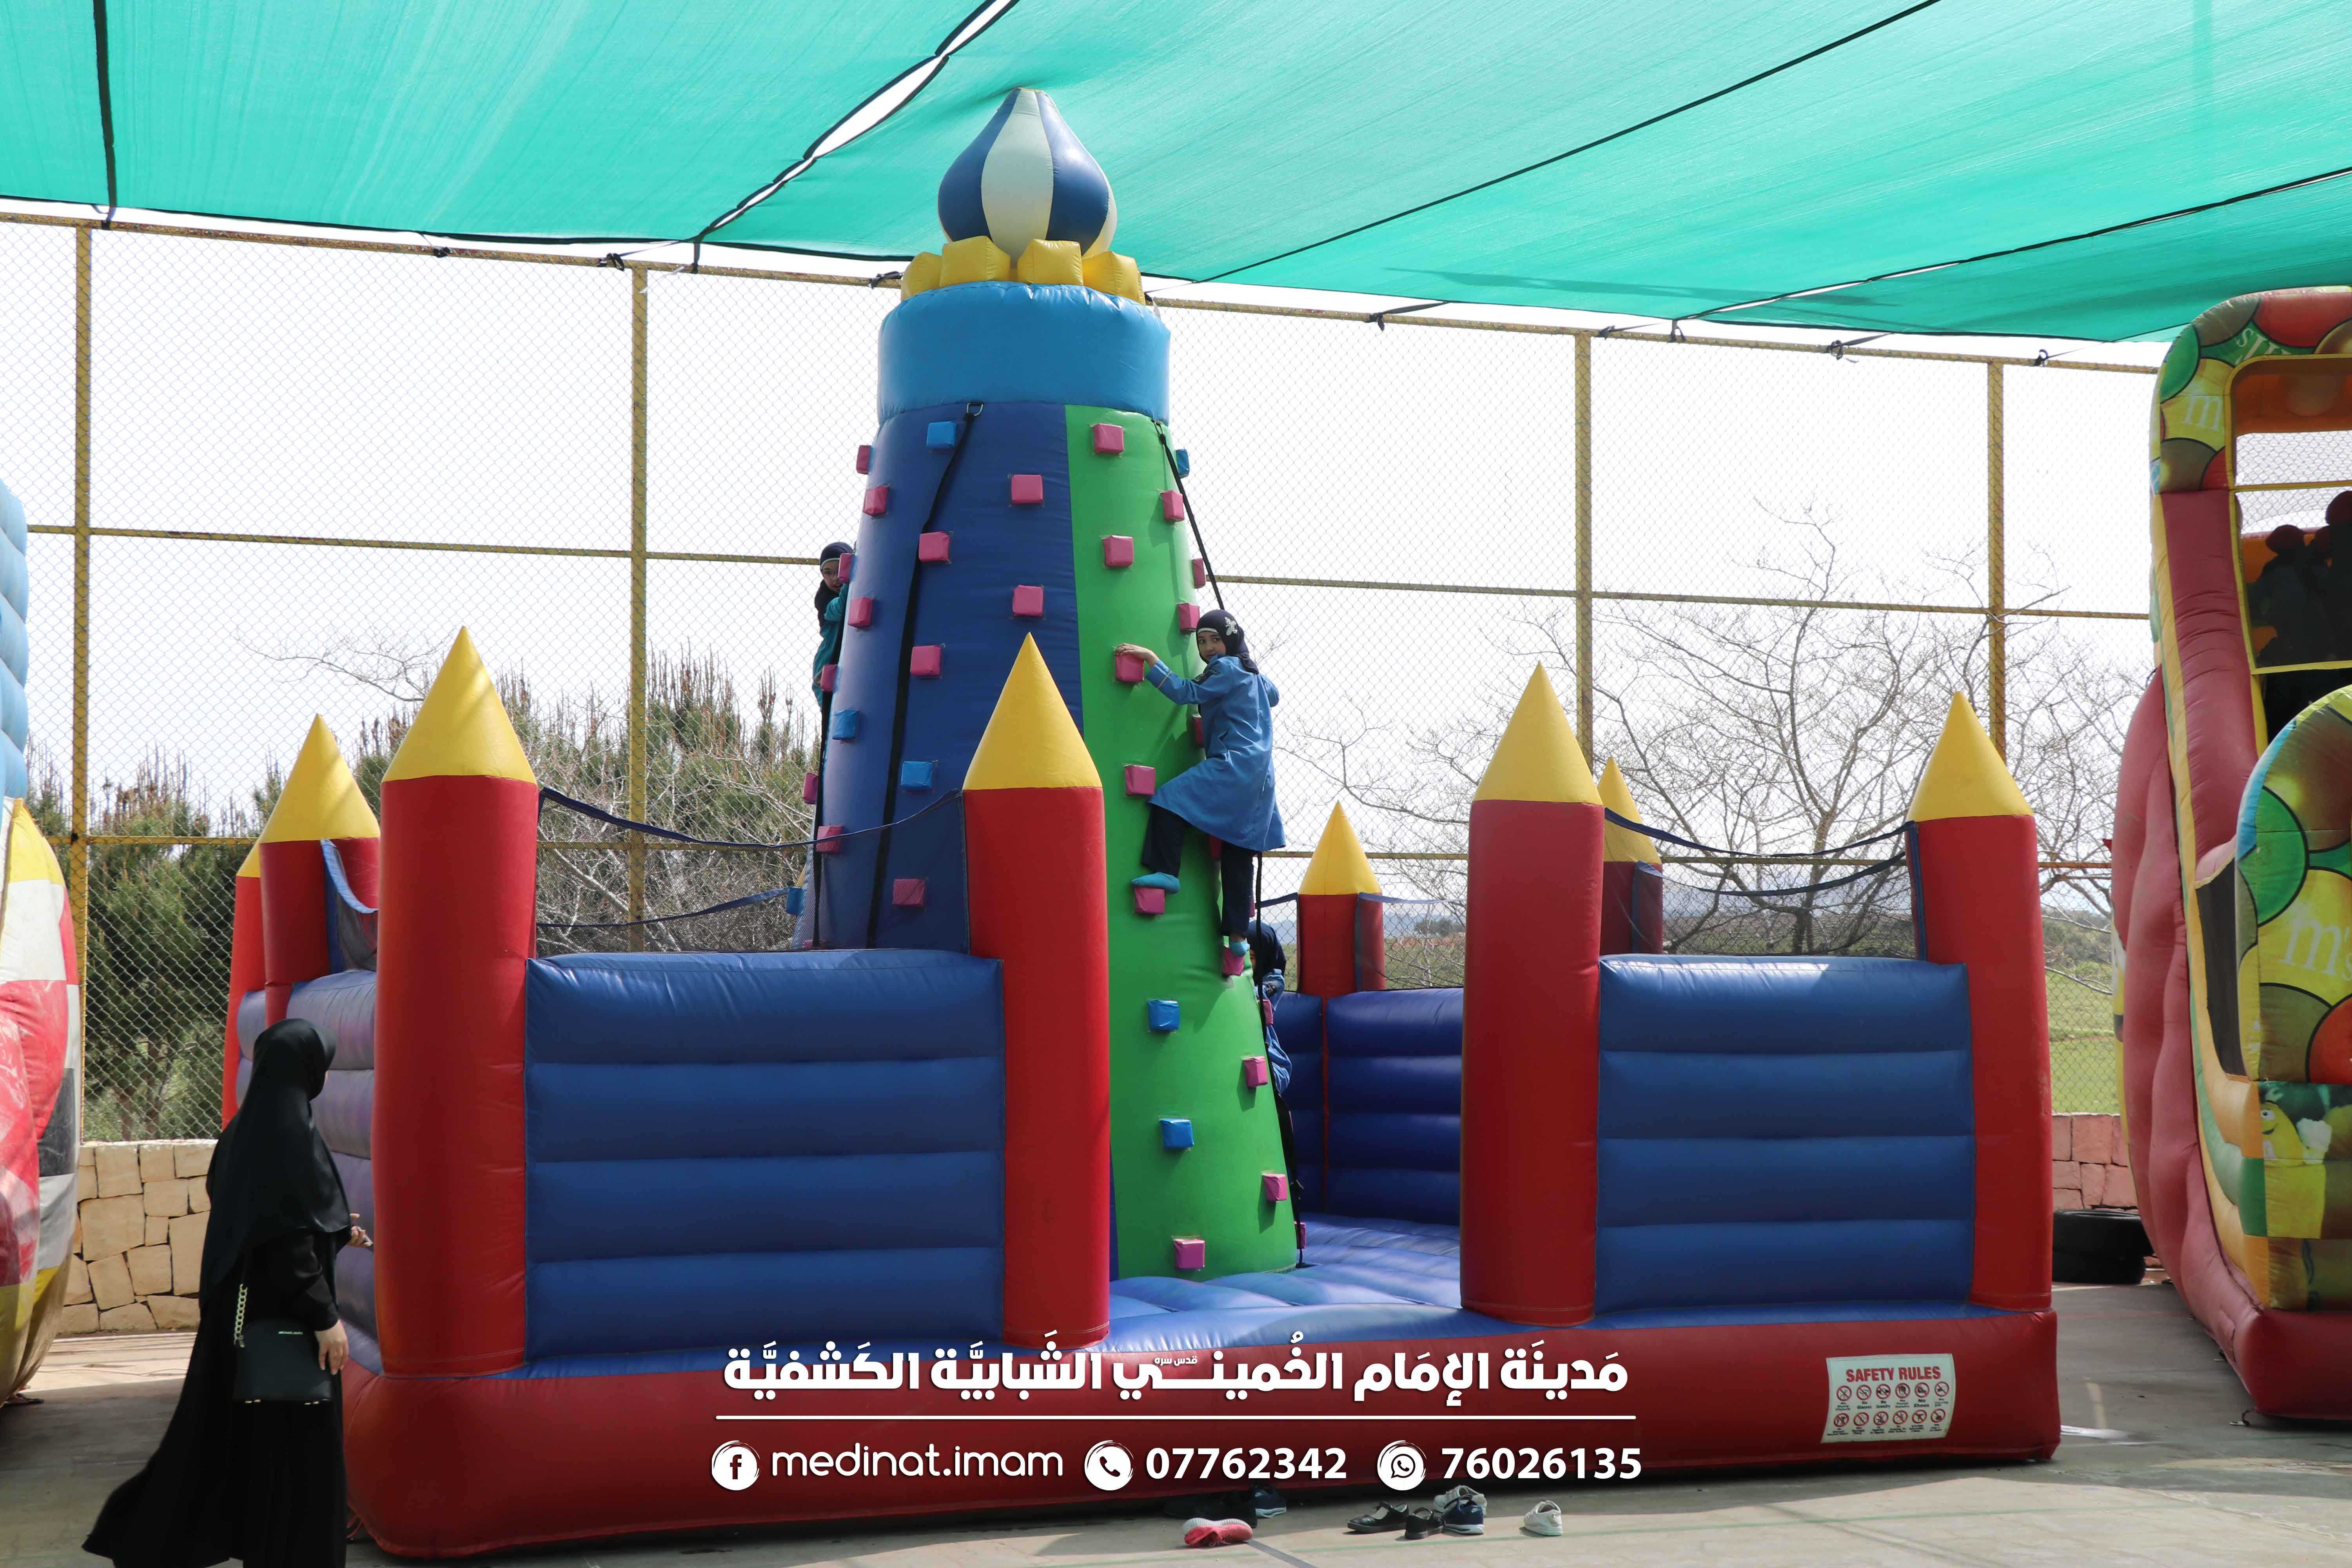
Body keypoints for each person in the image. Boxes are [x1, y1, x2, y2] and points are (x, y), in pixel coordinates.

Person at [87, 1019, 367, 1567]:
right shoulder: (291, 1134)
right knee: (301, 1463)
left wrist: (332, 1231)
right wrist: (325, 1318)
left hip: (241, 1326)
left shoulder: (243, 1132)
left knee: (254, 1455)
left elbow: (257, 1216)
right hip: (288, 1327)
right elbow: (286, 1243)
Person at [1115, 609, 1285, 957]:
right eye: (1202, 641)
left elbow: (1185, 693)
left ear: (1231, 641)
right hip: (1261, 776)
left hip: (1233, 763)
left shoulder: (1226, 669)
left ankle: (1166, 870)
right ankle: (1237, 935)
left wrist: (1152, 661)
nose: (1208, 649)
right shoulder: (1253, 675)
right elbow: (1274, 694)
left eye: (1215, 640)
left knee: (1169, 799)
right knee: (1238, 847)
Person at [809, 541, 853, 711]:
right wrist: (850, 577)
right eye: (828, 573)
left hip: (851, 662)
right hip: (828, 667)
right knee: (833, 713)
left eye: (840, 570)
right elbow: (842, 608)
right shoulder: (824, 599)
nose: (835, 578)